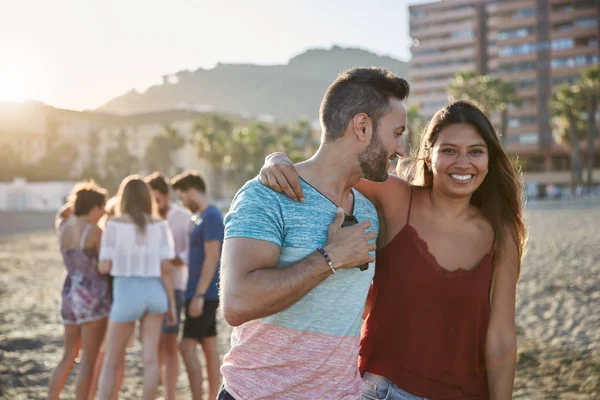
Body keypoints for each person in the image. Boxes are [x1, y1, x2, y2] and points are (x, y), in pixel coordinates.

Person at [260, 100, 527, 399]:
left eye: (475, 151)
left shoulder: (500, 234)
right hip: (384, 390)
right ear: (428, 157)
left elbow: (501, 338)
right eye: (449, 150)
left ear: (489, 160)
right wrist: (277, 159)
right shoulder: (398, 199)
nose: (463, 163)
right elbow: (329, 170)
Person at [218, 67, 408, 399]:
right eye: (397, 133)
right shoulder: (266, 195)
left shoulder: (367, 211)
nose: (402, 148)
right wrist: (328, 259)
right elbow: (236, 303)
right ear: (362, 126)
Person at [97, 175, 177, 400]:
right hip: (155, 292)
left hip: (126, 292)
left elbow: (104, 267)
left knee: (113, 359)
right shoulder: (160, 225)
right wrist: (171, 304)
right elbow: (166, 269)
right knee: (151, 359)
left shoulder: (113, 225)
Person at [48, 181, 111, 400]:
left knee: (68, 354)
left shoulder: (63, 226)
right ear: (94, 208)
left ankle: (52, 397)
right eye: (102, 208)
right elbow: (106, 266)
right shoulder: (94, 231)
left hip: (69, 293)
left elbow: (63, 212)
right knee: (89, 359)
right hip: (93, 298)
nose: (103, 213)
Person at [171, 171, 224, 400]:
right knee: (209, 347)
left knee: (186, 347)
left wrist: (199, 295)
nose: (182, 203)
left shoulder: (211, 216)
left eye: (182, 197)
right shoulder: (202, 217)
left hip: (203, 294)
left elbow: (213, 257)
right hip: (202, 293)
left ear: (192, 191)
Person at [146, 172, 193, 400]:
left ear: (166, 196)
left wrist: (174, 257)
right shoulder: (145, 218)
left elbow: (192, 253)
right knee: (153, 346)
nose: (154, 204)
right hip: (152, 287)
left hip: (176, 285)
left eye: (156, 199)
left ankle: (171, 395)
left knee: (169, 345)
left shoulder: (184, 218)